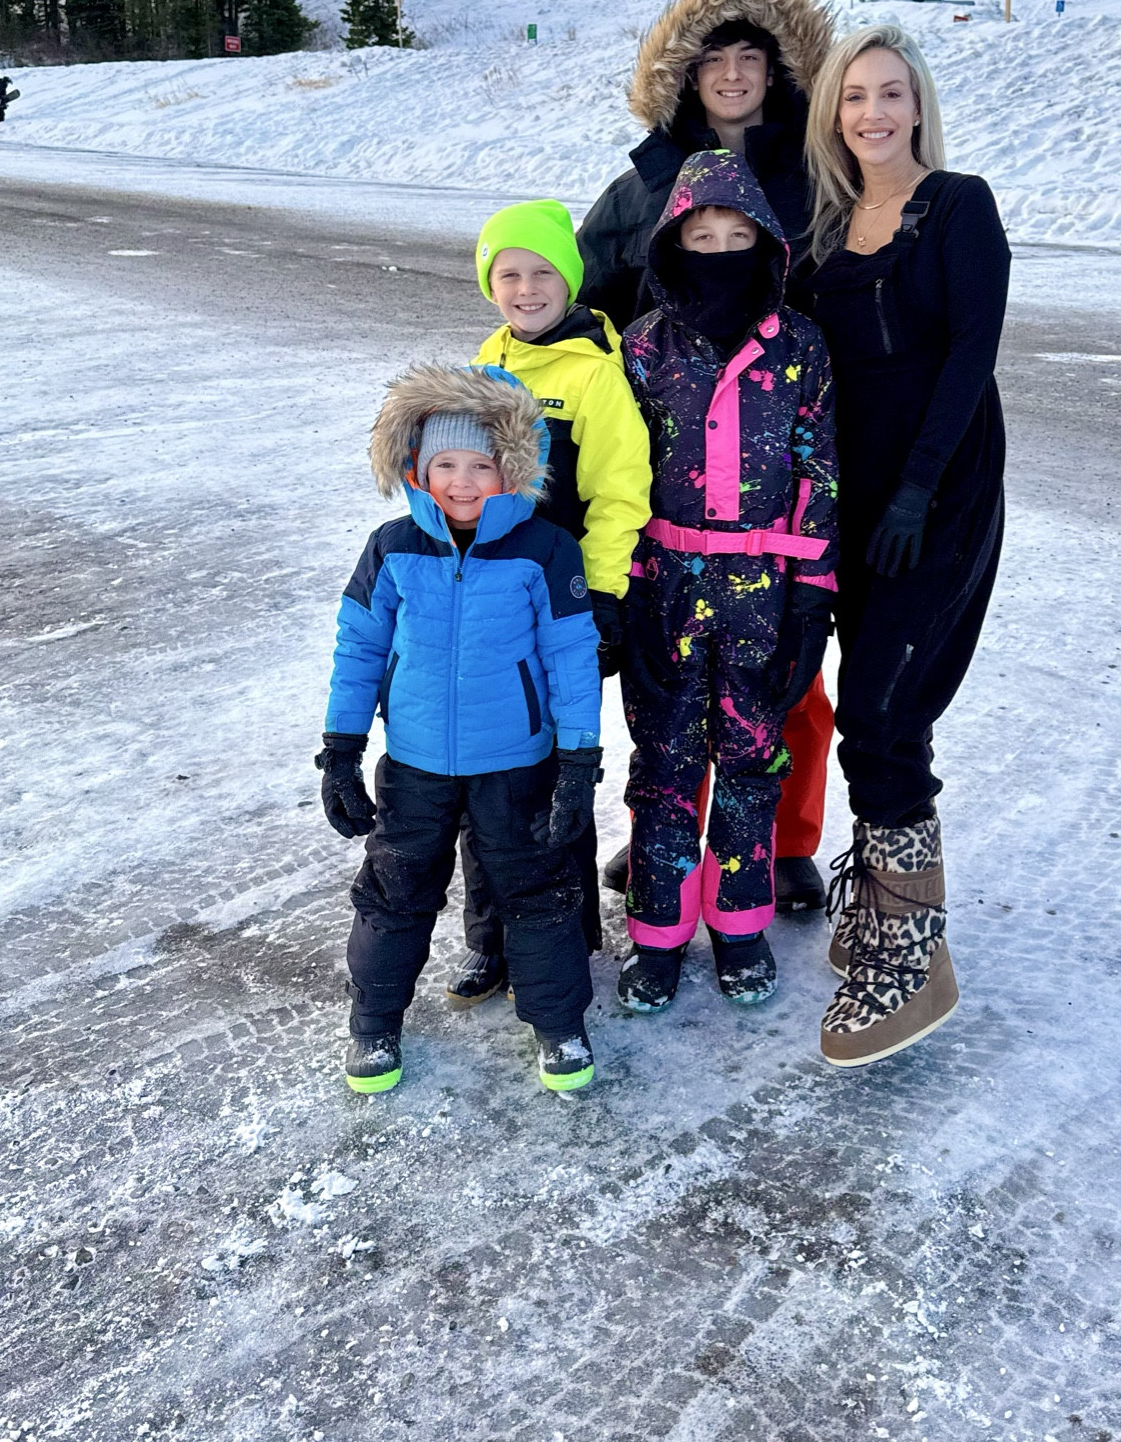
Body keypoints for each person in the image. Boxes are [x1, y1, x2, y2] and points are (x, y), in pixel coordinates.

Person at [577, 0, 837, 911]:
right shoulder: (644, 183)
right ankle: (668, 837)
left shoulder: (819, 173)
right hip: (672, 481)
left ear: (778, 72)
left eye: (751, 58)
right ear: (684, 77)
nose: (732, 75)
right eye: (714, 59)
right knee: (671, 684)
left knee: (786, 682)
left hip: (780, 475)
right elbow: (581, 303)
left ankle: (785, 840)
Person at [802, 23, 1009, 1069]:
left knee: (889, 702)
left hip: (939, 491)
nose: (873, 112)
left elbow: (974, 348)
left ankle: (916, 948)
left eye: (890, 92)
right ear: (833, 114)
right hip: (850, 501)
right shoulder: (829, 228)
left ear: (917, 103)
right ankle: (883, 898)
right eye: (854, 97)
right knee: (860, 705)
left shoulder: (957, 206)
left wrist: (921, 486)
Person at [314, 363, 604, 1096]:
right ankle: (374, 1024)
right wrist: (341, 753)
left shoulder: (545, 549)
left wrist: (577, 762)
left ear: (512, 469)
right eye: (445, 464)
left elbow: (570, 659)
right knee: (394, 889)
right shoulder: (391, 548)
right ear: (416, 466)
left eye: (481, 465)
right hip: (413, 763)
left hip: (516, 762)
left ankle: (558, 1025)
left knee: (537, 891)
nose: (463, 482)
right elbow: (359, 650)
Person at [614, 149, 837, 1015]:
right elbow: (623, 475)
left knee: (750, 760)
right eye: (699, 237)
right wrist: (627, 592)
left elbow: (819, 473)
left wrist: (811, 601)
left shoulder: (801, 350)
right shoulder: (642, 349)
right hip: (666, 584)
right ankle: (659, 933)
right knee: (664, 762)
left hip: (764, 592)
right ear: (673, 244)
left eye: (734, 236)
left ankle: (739, 926)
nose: (717, 251)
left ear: (766, 244)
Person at [447, 200, 652, 1009]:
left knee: (555, 771)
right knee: (480, 768)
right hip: (486, 607)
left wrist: (599, 597)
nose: (526, 288)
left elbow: (619, 494)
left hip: (560, 610)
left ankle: (562, 934)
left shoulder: (595, 375)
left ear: (569, 278)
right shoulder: (483, 365)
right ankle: (489, 938)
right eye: (508, 275)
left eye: (542, 273)